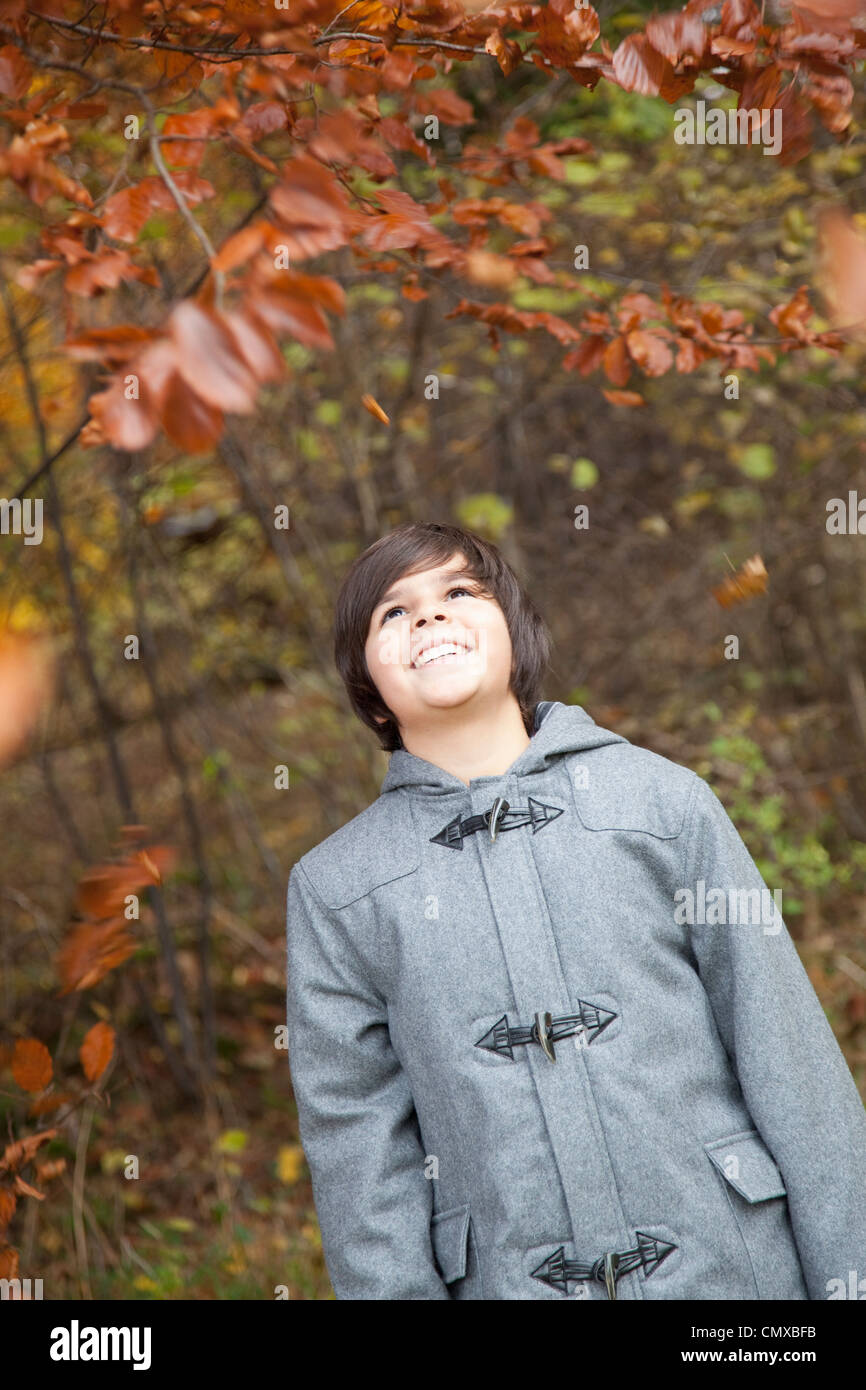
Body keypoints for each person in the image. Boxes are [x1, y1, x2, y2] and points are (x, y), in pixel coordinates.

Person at [284, 520, 866, 1300]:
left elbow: (789, 1062)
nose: (429, 616)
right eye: (392, 612)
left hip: (734, 1279)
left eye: (459, 592)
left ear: (517, 635)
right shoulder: (337, 888)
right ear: (367, 684)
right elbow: (360, 1163)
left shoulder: (662, 802)